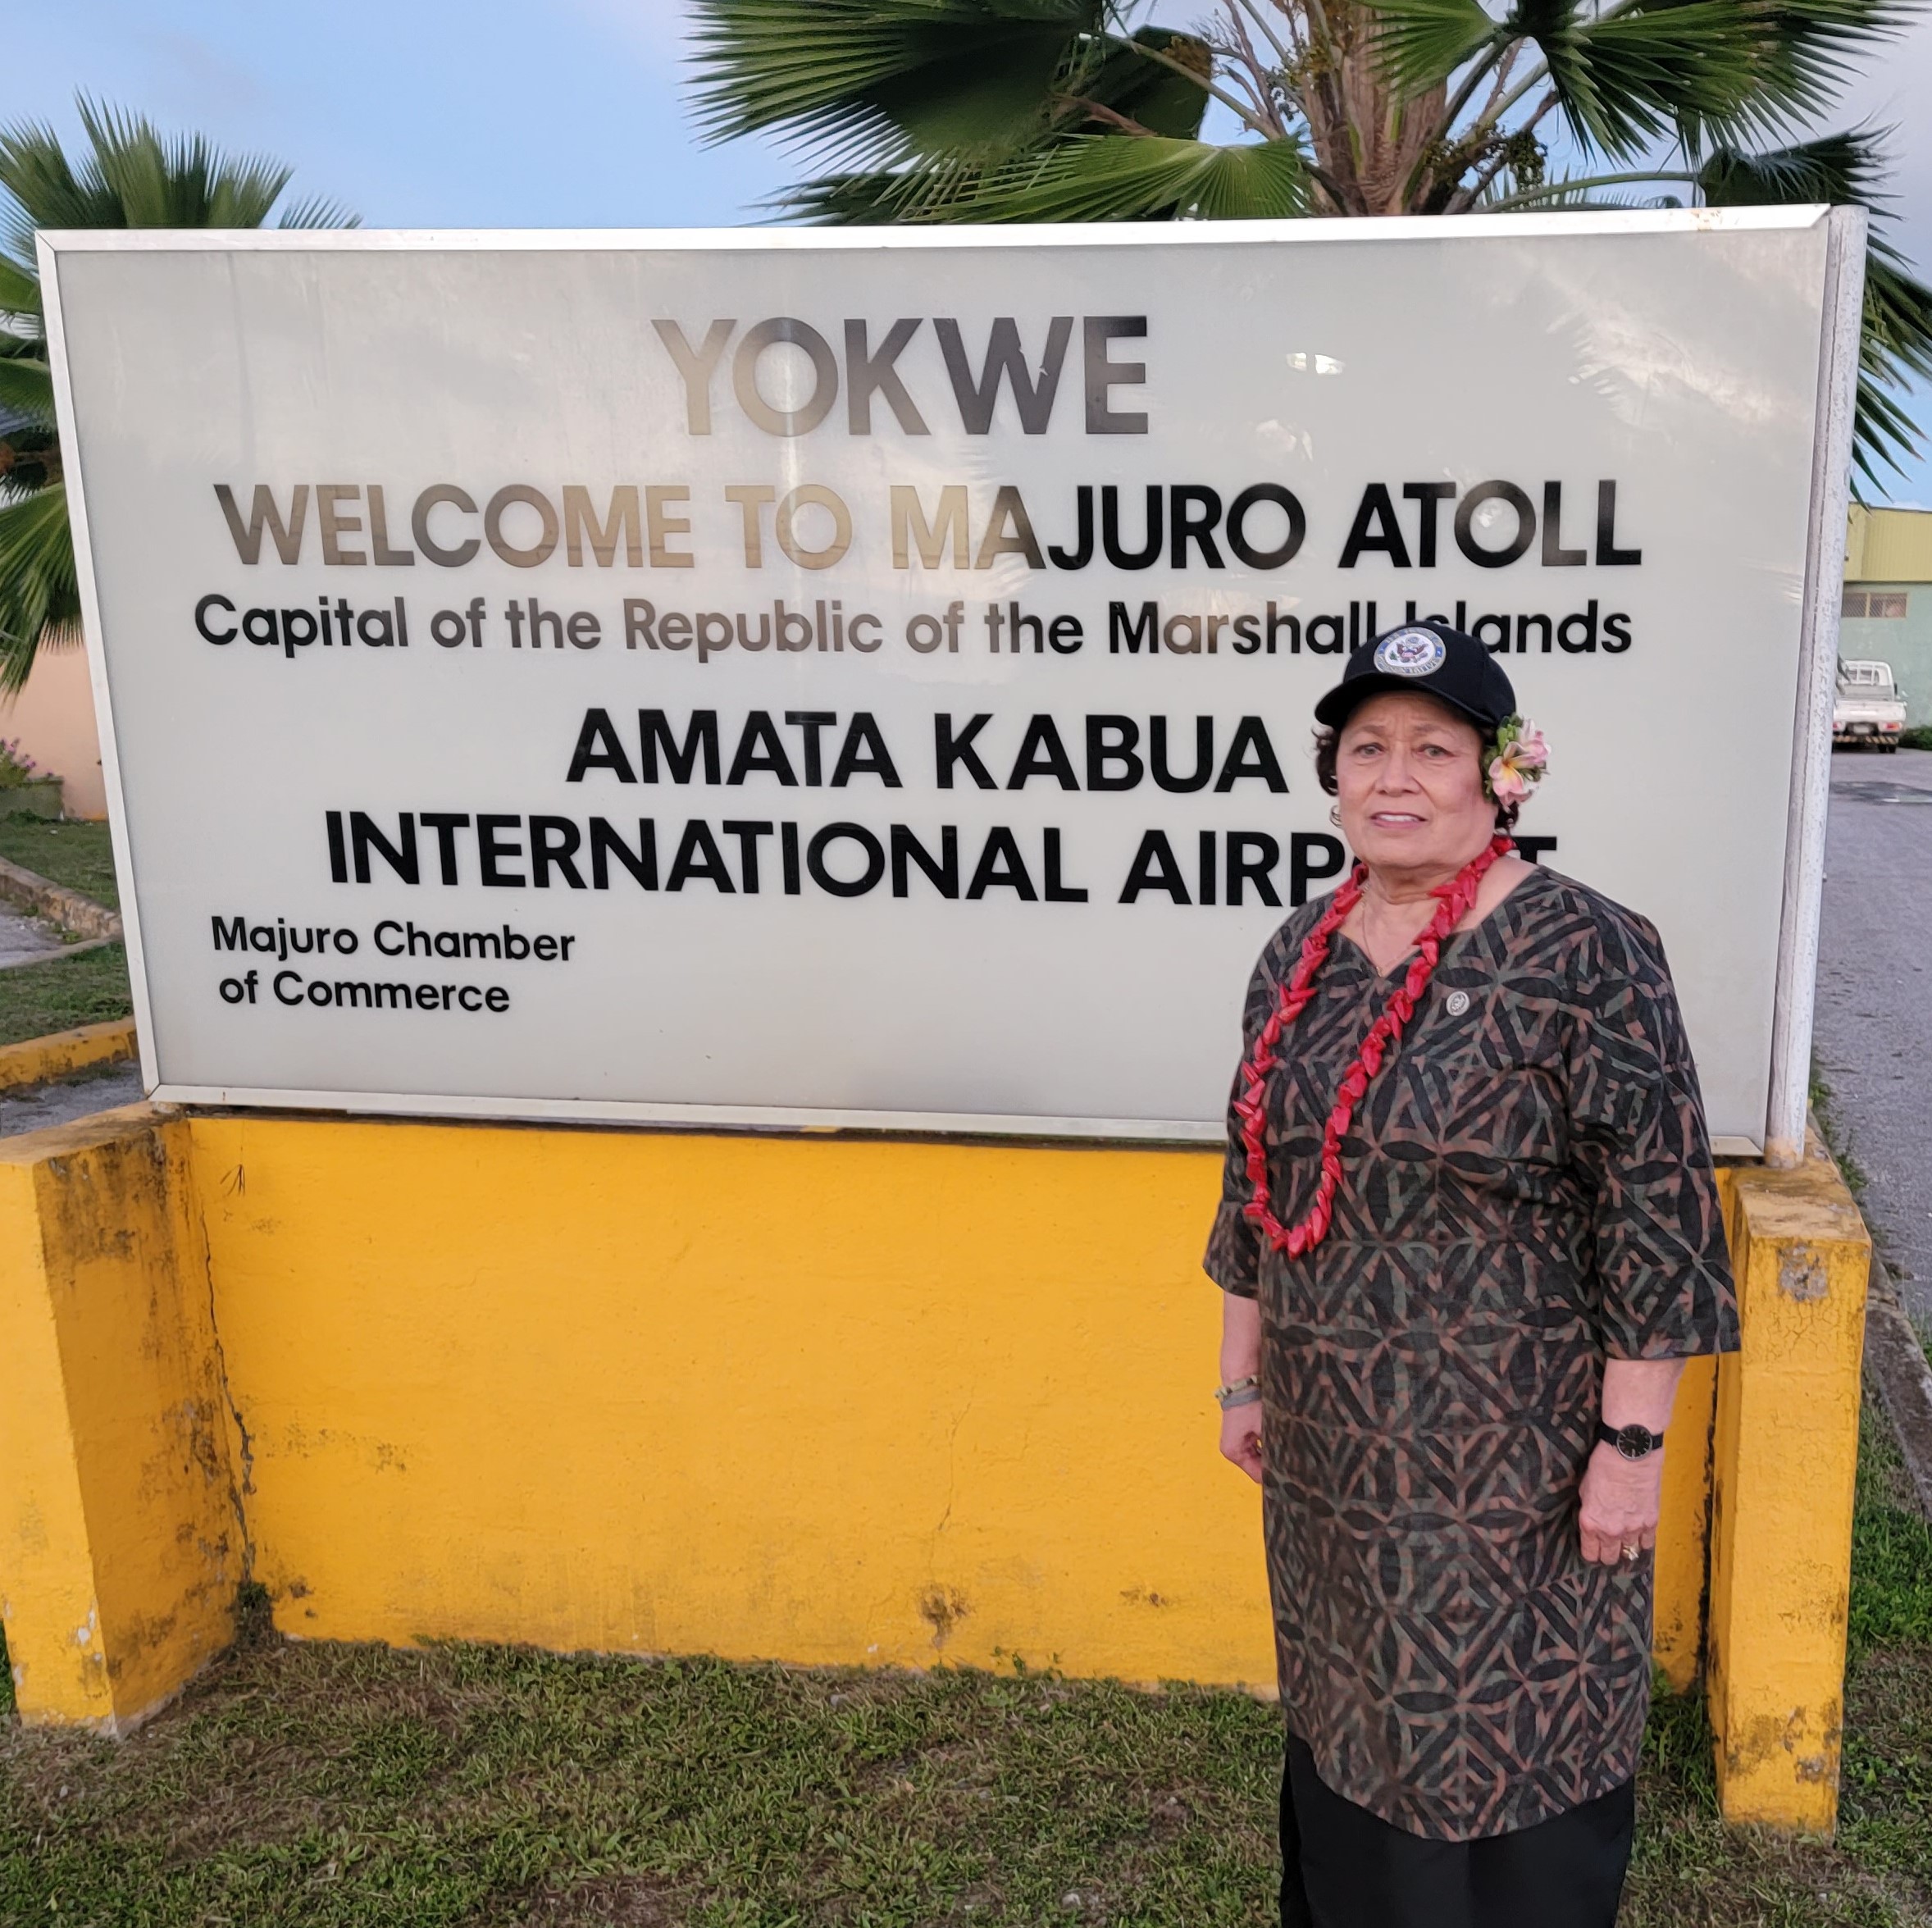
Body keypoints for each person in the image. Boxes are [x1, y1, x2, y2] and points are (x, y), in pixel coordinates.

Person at [1204, 622, 1740, 1928]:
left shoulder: (1588, 951)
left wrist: (1632, 1443)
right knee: (1354, 1725)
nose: (1394, 776)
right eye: (1366, 748)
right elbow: (1253, 1185)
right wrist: (1240, 1381)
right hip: (1335, 1473)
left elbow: (1655, 1210)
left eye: (1432, 749)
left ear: (1499, 778)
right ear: (1334, 780)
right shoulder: (1300, 955)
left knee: (1518, 1738)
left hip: (1522, 1468)